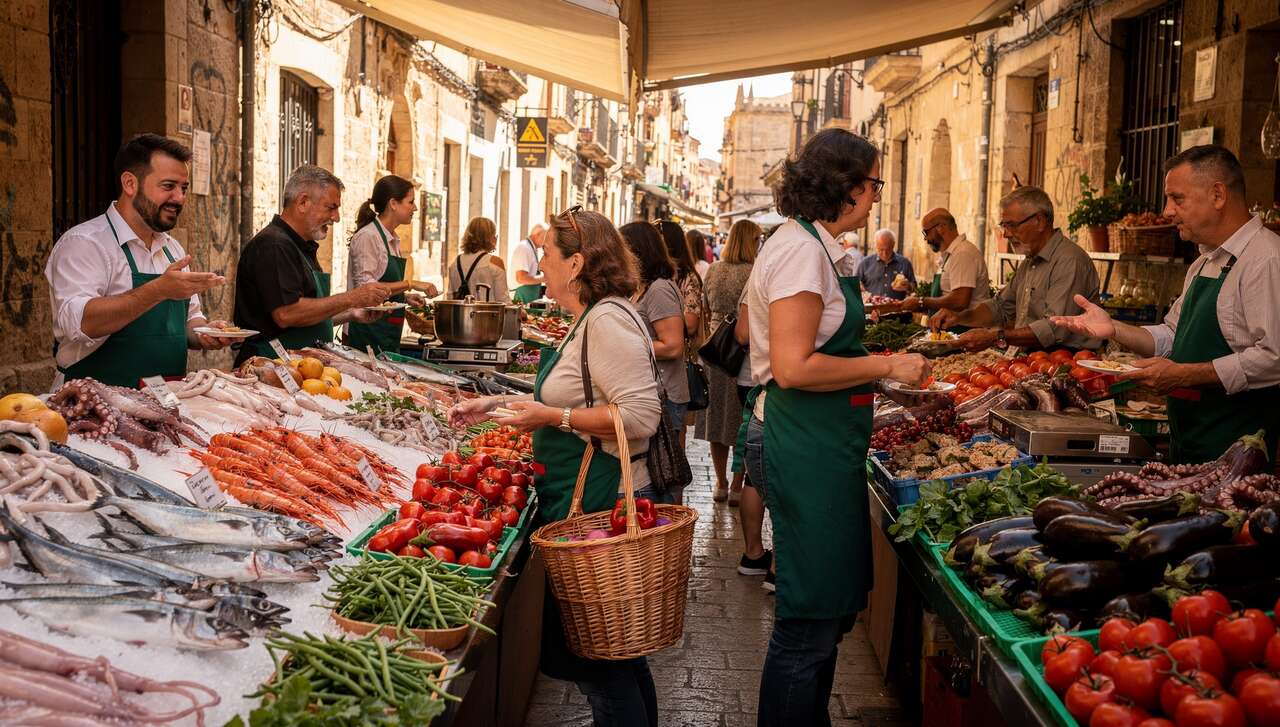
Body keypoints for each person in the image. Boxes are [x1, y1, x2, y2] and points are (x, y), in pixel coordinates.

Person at [446, 206, 662, 727]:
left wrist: (554, 415)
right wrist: (494, 406)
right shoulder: (592, 316)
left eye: (547, 254)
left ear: (577, 262)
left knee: (604, 666)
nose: (539, 262)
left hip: (601, 507)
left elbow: (642, 416)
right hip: (581, 503)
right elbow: (571, 393)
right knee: (615, 655)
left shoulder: (607, 320)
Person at [742, 128, 928, 725]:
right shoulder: (800, 251)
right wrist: (887, 365)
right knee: (807, 623)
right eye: (873, 184)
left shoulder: (814, 247)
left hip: (823, 445)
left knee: (826, 618)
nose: (876, 197)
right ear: (844, 186)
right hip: (804, 446)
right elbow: (793, 366)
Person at [1051, 145, 1280, 464]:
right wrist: (1113, 328)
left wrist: (1184, 375)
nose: (1167, 211)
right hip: (1187, 442)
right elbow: (1174, 336)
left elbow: (1274, 357)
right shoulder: (1203, 263)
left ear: (1217, 195)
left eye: (1177, 198)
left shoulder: (1265, 259)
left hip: (1237, 452)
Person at [46, 133, 234, 388]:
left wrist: (207, 334)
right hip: (93, 402)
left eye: (184, 188)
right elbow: (79, 324)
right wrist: (158, 290)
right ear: (130, 184)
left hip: (164, 401)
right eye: (168, 186)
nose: (179, 198)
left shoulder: (173, 249)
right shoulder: (84, 243)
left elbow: (191, 320)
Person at [234, 165, 400, 365]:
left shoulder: (300, 245)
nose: (336, 218)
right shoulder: (274, 245)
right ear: (303, 202)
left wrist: (352, 314)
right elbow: (287, 313)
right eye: (331, 208)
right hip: (271, 364)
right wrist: (352, 298)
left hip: (300, 366)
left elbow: (309, 316)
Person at [932, 186, 1101, 352]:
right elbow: (1000, 307)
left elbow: (1054, 328)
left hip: (1068, 361)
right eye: (1004, 226)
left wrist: (995, 337)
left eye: (1012, 225)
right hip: (1032, 358)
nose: (1006, 234)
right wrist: (959, 317)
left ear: (1039, 221)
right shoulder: (1030, 261)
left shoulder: (1069, 261)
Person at [620, 221, 691, 502]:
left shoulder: (660, 289)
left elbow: (673, 345)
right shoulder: (643, 288)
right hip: (653, 393)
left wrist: (627, 345)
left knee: (664, 475)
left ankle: (668, 535)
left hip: (667, 397)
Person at [695, 219, 760, 504]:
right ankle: (736, 485)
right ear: (751, 242)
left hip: (715, 349)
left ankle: (720, 482)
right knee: (740, 422)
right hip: (743, 354)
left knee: (716, 421)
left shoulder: (714, 269)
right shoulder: (754, 272)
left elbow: (705, 308)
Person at [345, 174, 439, 353]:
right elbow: (366, 289)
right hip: (366, 334)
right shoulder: (368, 237)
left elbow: (381, 289)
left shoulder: (392, 239)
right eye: (411, 202)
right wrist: (410, 284)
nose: (416, 208)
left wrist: (402, 298)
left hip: (387, 334)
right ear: (393, 204)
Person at [901, 208, 991, 319]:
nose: (925, 238)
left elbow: (960, 301)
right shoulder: (950, 254)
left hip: (964, 330)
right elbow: (945, 294)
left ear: (941, 228)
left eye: (926, 232)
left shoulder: (962, 253)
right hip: (949, 329)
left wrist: (921, 302)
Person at [446, 217, 510, 303]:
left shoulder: (455, 263)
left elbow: (450, 297)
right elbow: (503, 300)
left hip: (461, 315)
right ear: (490, 238)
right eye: (495, 236)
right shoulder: (495, 262)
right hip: (488, 315)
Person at [857, 229, 915, 299]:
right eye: (881, 249)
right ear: (875, 246)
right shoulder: (865, 263)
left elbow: (914, 288)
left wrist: (908, 286)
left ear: (893, 245)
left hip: (896, 308)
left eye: (888, 249)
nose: (884, 254)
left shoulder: (905, 263)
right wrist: (859, 288)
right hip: (872, 308)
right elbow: (854, 285)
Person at [508, 222, 547, 304]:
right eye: (545, 237)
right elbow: (521, 278)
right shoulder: (524, 248)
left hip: (528, 297)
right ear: (537, 235)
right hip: (520, 297)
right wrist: (545, 278)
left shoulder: (531, 248)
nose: (546, 241)